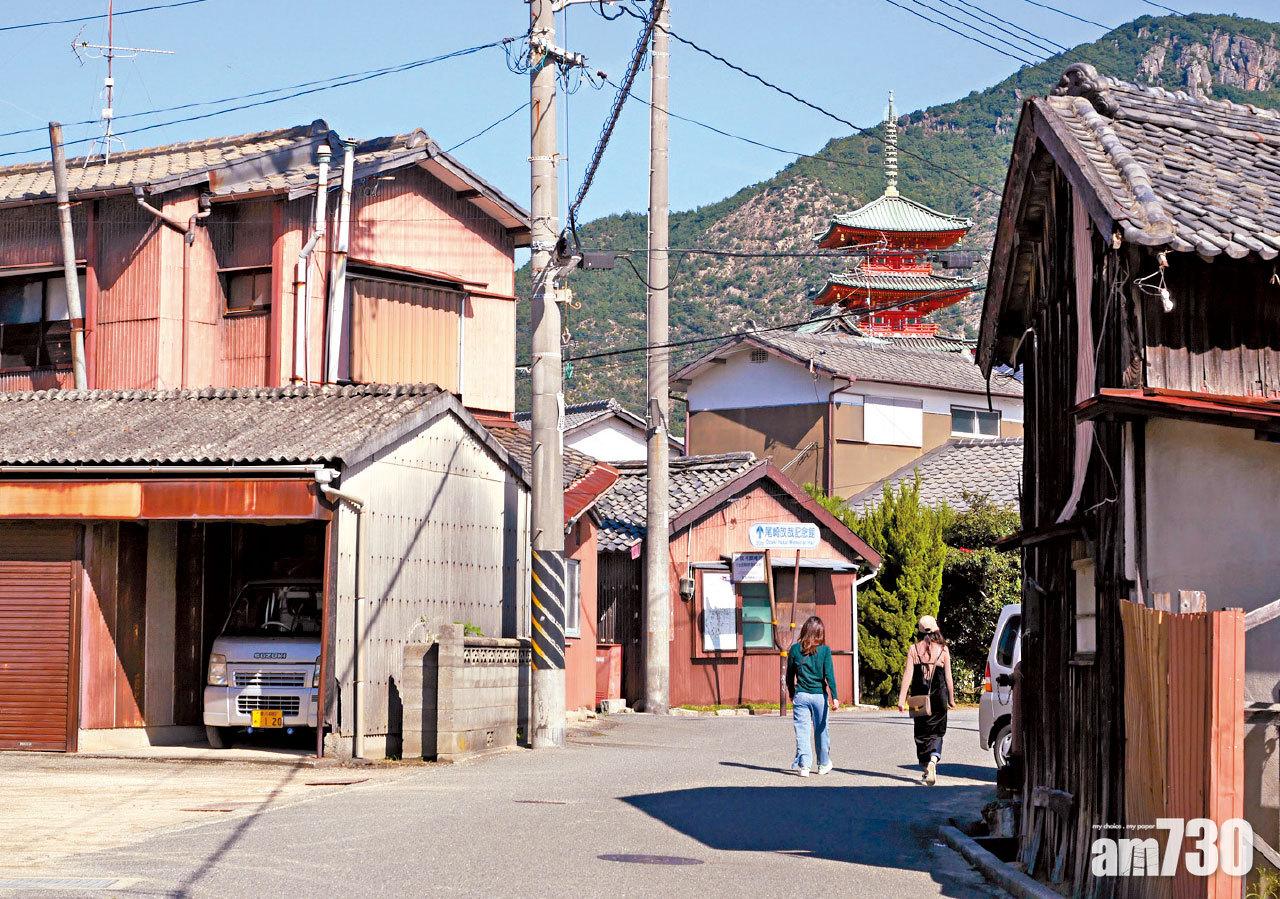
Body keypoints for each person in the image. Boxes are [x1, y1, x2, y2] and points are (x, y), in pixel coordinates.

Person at [897, 615, 956, 785]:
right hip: (939, 697)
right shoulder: (944, 650)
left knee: (921, 735)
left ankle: (925, 767)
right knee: (937, 733)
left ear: (919, 631)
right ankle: (933, 761)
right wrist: (951, 698)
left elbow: (907, 675)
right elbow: (948, 678)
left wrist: (902, 699)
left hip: (919, 699)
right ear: (937, 630)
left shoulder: (913, 650)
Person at [785, 615, 840, 778]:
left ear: (804, 630)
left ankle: (804, 766)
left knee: (802, 731)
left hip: (801, 695)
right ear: (820, 633)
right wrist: (834, 697)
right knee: (821, 731)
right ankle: (823, 764)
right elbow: (829, 675)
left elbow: (789, 675)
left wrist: (792, 692)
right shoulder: (825, 650)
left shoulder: (795, 649)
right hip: (819, 697)